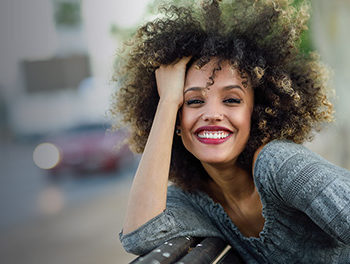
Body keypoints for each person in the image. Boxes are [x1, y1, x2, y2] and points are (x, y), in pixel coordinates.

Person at [113, 0, 350, 263]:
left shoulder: (280, 165)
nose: (212, 114)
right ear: (177, 122)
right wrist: (168, 100)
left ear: (256, 111)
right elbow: (139, 236)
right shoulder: (195, 200)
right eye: (193, 101)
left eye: (232, 100)